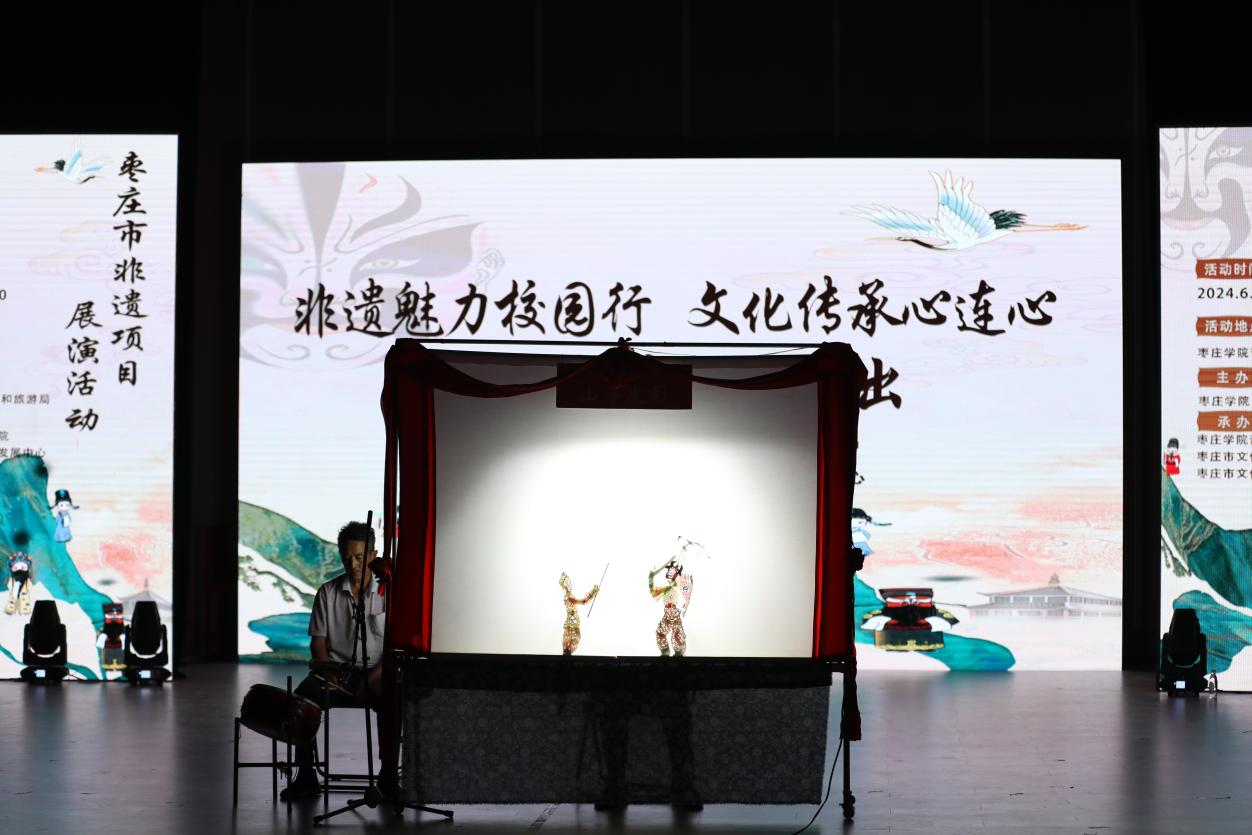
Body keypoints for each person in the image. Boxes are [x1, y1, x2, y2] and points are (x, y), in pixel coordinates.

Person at [280, 521, 397, 801]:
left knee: (396, 701)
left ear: (373, 555)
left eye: (359, 557)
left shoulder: (389, 593)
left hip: (378, 672)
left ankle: (389, 777)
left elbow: (395, 647)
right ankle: (306, 776)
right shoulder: (327, 592)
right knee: (302, 700)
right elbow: (318, 643)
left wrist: (374, 678)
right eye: (347, 557)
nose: (352, 564)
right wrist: (328, 673)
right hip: (336, 671)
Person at [649, 559, 692, 657]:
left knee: (675, 634)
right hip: (668, 612)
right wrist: (651, 577)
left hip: (673, 612)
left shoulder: (676, 584)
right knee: (661, 633)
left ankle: (678, 651)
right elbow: (655, 593)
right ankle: (667, 652)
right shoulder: (668, 586)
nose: (669, 572)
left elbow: (682, 586)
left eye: (672, 570)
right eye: (669, 570)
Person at [558, 572, 599, 655]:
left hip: (573, 620)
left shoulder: (569, 595)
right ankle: (567, 651)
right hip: (572, 620)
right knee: (572, 636)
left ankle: (567, 652)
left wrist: (593, 593)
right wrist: (593, 592)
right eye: (569, 582)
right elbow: (583, 602)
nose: (570, 584)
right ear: (565, 585)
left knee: (573, 636)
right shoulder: (568, 597)